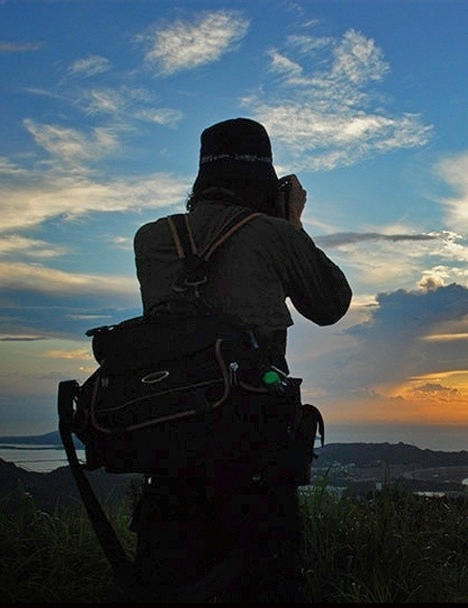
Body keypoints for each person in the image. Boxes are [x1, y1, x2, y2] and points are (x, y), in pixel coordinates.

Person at [129, 117, 352, 602]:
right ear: (265, 181)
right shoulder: (273, 234)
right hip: (253, 452)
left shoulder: (152, 240)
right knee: (265, 583)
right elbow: (332, 304)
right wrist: (292, 223)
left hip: (170, 451)